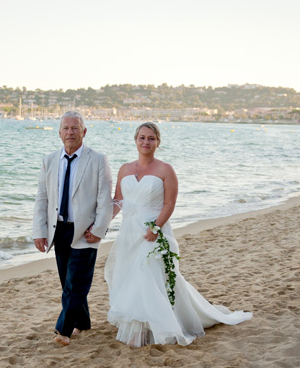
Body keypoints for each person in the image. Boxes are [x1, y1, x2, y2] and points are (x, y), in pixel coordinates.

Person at [104, 122, 252, 347]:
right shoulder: (125, 169)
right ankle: (140, 322)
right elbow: (119, 201)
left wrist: (155, 228)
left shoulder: (165, 170)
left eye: (151, 138)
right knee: (130, 275)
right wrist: (103, 223)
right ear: (135, 140)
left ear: (158, 142)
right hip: (128, 232)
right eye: (142, 138)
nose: (146, 142)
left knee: (147, 275)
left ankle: (149, 328)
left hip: (152, 231)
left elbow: (169, 204)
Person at [33, 111, 113, 346]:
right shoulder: (49, 160)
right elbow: (42, 198)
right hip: (59, 231)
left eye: (75, 128)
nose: (70, 132)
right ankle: (83, 322)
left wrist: (99, 230)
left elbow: (105, 200)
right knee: (67, 281)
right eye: (66, 128)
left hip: (86, 232)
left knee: (75, 283)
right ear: (59, 133)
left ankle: (64, 331)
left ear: (84, 132)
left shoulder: (97, 159)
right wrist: (40, 230)